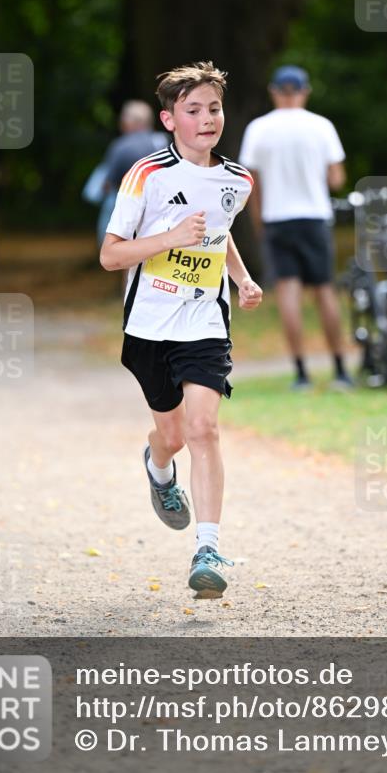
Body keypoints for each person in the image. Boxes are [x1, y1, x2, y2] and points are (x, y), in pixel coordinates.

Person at [100, 62, 262, 595]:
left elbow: (220, 232)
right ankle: (158, 466)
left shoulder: (237, 180)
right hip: (150, 323)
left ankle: (208, 549)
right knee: (171, 437)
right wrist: (169, 237)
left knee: (203, 430)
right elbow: (110, 255)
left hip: (204, 320)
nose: (207, 119)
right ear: (170, 119)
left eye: (213, 108)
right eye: (193, 111)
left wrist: (240, 277)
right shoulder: (146, 174)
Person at [239, 64, 350, 390]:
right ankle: (341, 369)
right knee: (325, 291)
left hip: (277, 218)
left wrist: (259, 224)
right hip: (315, 216)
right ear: (305, 91)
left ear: (274, 91)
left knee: (288, 293)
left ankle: (301, 373)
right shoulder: (322, 126)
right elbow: (336, 179)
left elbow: (252, 183)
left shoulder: (258, 129)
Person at [83, 101, 169, 245]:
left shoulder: (121, 146)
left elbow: (108, 184)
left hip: (130, 207)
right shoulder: (164, 141)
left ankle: (107, 246)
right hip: (161, 209)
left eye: (124, 119)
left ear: (133, 122)